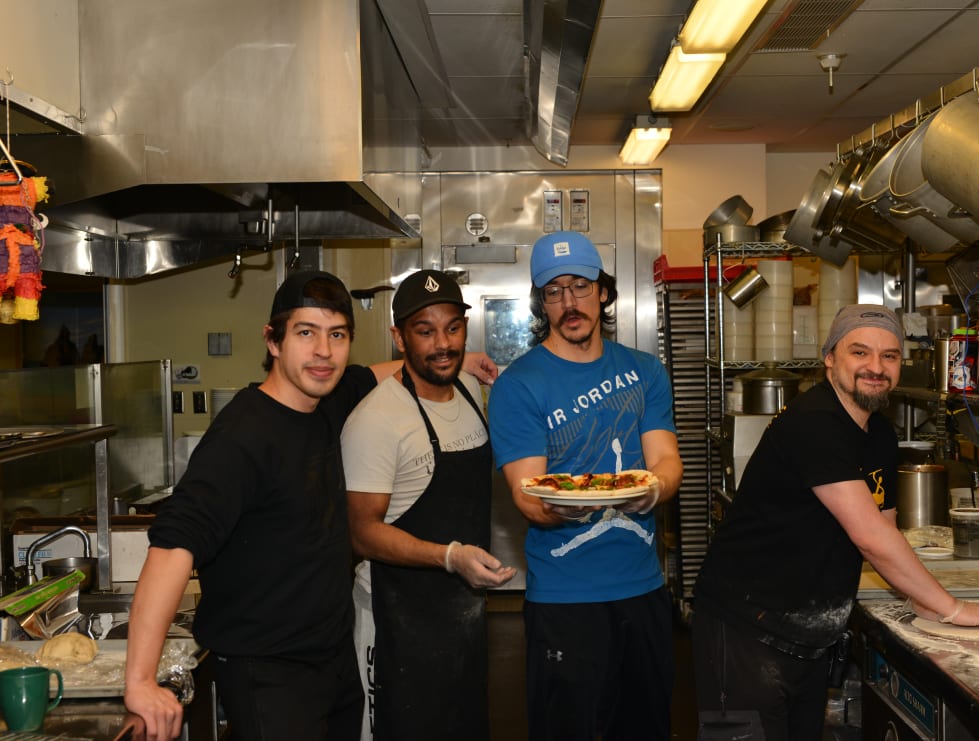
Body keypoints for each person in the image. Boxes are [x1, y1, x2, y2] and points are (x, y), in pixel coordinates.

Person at [123, 270, 496, 741]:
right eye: (306, 333)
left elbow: (378, 371)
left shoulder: (328, 400)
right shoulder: (242, 438)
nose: (324, 351)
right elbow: (174, 545)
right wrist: (139, 680)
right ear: (273, 341)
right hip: (270, 671)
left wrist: (463, 362)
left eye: (337, 335)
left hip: (334, 660)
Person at [692, 304, 979, 741]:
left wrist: (920, 598)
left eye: (889, 356)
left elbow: (884, 527)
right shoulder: (815, 424)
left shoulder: (879, 434)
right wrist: (953, 608)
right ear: (830, 357)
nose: (876, 367)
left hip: (807, 636)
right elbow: (869, 538)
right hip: (744, 631)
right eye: (860, 352)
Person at [487, 231, 684, 741]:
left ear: (603, 290)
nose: (569, 303)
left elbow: (665, 460)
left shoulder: (645, 372)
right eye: (553, 291)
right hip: (565, 601)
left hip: (644, 593)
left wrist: (654, 489)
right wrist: (571, 507)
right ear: (540, 302)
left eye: (579, 286)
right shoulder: (519, 385)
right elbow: (529, 496)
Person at [341, 269, 516, 740]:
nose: (443, 343)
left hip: (463, 619)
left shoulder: (469, 389)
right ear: (399, 337)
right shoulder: (376, 419)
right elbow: (361, 532)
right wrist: (448, 556)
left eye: (453, 327)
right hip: (395, 625)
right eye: (425, 331)